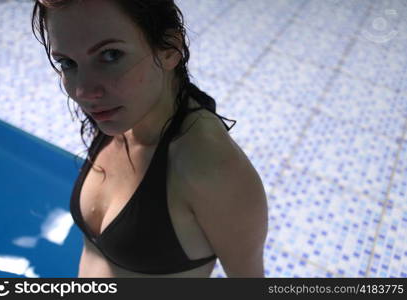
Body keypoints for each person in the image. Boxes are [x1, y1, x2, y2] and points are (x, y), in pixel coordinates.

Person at [31, 0, 268, 278]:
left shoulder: (212, 168)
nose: (83, 91)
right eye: (67, 62)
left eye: (110, 55)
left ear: (170, 48)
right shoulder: (122, 116)